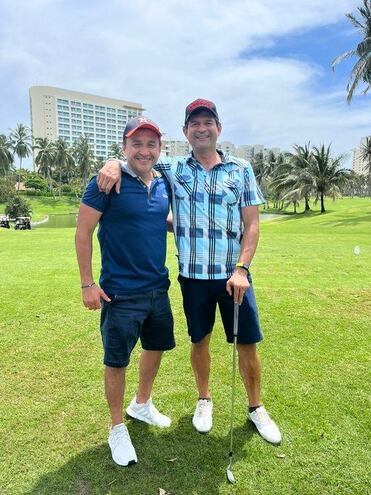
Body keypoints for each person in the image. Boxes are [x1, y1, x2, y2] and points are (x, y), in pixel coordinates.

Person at [97, 99, 282, 444]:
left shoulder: (240, 169)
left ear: (218, 128)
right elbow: (140, 159)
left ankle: (256, 407)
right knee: (200, 341)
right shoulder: (174, 168)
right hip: (193, 277)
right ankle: (203, 400)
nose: (201, 128)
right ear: (185, 132)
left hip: (233, 277)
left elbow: (252, 225)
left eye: (207, 122)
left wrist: (242, 268)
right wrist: (112, 162)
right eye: (194, 123)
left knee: (247, 345)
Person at [75, 117, 175, 467]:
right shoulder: (105, 182)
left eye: (151, 144)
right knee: (116, 360)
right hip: (120, 293)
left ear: (159, 149)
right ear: (125, 147)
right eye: (137, 144)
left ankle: (141, 404)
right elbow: (83, 232)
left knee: (156, 346)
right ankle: (117, 426)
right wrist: (88, 283)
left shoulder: (164, 183)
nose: (144, 151)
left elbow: (156, 220)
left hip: (157, 288)